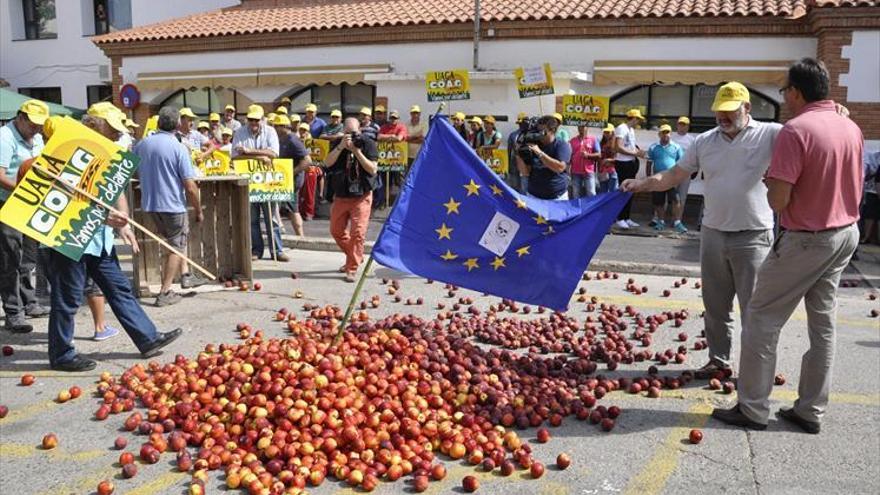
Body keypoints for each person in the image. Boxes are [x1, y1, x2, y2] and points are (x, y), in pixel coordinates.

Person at [712, 59, 863, 433]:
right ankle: (811, 410)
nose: (784, 98)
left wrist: (768, 178)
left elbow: (778, 201)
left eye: (784, 91)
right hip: (845, 233)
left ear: (795, 92)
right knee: (823, 325)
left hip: (806, 239)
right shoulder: (850, 126)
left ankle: (752, 408)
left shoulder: (797, 130)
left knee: (761, 317)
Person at [621, 82, 782, 379]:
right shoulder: (704, 141)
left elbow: (810, 137)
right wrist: (642, 184)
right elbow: (674, 175)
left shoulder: (772, 134)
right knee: (716, 306)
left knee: (754, 310)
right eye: (719, 111)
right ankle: (718, 360)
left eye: (729, 111)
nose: (722, 116)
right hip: (713, 232)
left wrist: (834, 114)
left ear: (747, 108)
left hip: (754, 234)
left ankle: (755, 371)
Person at [46, 103, 183, 371]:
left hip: (98, 239)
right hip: (70, 237)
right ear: (94, 125)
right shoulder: (67, 149)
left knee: (119, 288)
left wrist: (123, 221)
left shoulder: (105, 150)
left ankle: (147, 337)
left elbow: (114, 187)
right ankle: (61, 354)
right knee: (68, 296)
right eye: (112, 131)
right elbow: (59, 197)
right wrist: (105, 218)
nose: (115, 137)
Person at [134, 106, 206, 307]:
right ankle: (165, 291)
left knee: (174, 241)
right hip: (172, 204)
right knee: (176, 245)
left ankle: (185, 275)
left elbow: (133, 171)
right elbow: (190, 186)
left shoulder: (142, 144)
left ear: (157, 124)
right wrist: (198, 210)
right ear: (177, 125)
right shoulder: (178, 147)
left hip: (150, 204)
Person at [0, 100, 51, 333]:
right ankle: (13, 312)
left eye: (40, 125)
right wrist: (22, 191)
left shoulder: (38, 138)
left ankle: (29, 302)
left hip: (31, 202)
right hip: (8, 202)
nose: (36, 129)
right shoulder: (5, 137)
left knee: (28, 256)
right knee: (10, 257)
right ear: (20, 117)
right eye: (32, 124)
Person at [323, 118, 379, 282]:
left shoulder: (367, 143)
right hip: (341, 194)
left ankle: (352, 268)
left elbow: (372, 169)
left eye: (353, 133)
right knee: (336, 231)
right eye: (347, 133)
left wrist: (356, 151)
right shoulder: (338, 143)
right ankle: (354, 256)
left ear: (360, 130)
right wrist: (341, 146)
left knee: (357, 233)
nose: (351, 137)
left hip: (361, 195)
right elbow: (327, 163)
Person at [232, 104, 289, 262]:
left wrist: (249, 152)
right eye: (251, 119)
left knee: (272, 218)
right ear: (247, 119)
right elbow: (235, 157)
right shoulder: (239, 132)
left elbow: (274, 154)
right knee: (253, 219)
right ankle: (256, 250)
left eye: (256, 120)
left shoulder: (270, 131)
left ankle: (277, 250)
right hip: (248, 181)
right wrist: (259, 157)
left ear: (262, 120)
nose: (253, 123)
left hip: (267, 182)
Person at [515, 115, 572, 200]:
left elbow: (560, 167)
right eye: (538, 131)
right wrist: (518, 152)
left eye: (543, 132)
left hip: (556, 197)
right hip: (534, 196)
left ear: (552, 131)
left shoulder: (561, 145)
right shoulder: (534, 144)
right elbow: (525, 172)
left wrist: (539, 153)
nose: (539, 134)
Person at [274, 114, 312, 237]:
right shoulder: (282, 139)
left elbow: (307, 160)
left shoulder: (292, 140)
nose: (274, 128)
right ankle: (282, 229)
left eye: (276, 126)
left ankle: (300, 237)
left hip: (292, 180)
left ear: (284, 126)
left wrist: (291, 173)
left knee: (292, 209)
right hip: (284, 179)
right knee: (280, 205)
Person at [645, 124, 685, 231]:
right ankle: (660, 221)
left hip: (672, 178)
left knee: (676, 200)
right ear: (659, 134)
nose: (665, 135)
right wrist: (649, 178)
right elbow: (649, 163)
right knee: (659, 202)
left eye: (667, 132)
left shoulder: (676, 147)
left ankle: (677, 222)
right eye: (663, 132)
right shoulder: (653, 147)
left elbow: (680, 163)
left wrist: (678, 178)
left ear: (671, 134)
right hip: (658, 178)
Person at [614, 109, 647, 229]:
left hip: (631, 163)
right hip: (623, 163)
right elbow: (618, 147)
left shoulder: (631, 130)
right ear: (633, 118)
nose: (639, 122)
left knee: (630, 190)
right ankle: (620, 218)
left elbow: (631, 147)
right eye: (638, 119)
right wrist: (635, 154)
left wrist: (640, 152)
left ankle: (627, 217)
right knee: (624, 190)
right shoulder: (621, 128)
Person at [671, 116, 696, 229]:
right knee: (669, 196)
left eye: (684, 124)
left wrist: (696, 169)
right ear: (677, 125)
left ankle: (677, 221)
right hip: (671, 171)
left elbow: (696, 156)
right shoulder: (671, 137)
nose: (682, 126)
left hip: (686, 172)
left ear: (688, 126)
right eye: (680, 124)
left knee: (682, 197)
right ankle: (659, 219)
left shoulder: (692, 140)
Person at [569, 124, 601, 198]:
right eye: (580, 126)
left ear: (587, 128)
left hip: (589, 171)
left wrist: (588, 155)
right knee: (576, 194)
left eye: (583, 126)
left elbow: (599, 155)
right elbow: (569, 156)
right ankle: (576, 209)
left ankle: (591, 209)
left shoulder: (593, 140)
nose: (582, 128)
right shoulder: (572, 141)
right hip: (575, 171)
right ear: (578, 128)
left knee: (591, 193)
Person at [860, 149, 879, 244]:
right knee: (869, 215)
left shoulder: (868, 155)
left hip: (866, 190)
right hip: (871, 191)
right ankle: (866, 237)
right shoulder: (873, 155)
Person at [507, 113, 529, 192]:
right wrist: (508, 165)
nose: (521, 125)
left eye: (522, 123)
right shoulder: (513, 135)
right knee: (514, 187)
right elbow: (509, 151)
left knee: (524, 188)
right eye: (519, 123)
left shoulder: (531, 134)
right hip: (514, 164)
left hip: (526, 165)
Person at [597, 124, 618, 193]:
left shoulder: (616, 143)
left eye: (608, 132)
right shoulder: (601, 143)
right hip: (602, 171)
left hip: (612, 171)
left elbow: (619, 159)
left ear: (612, 132)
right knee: (603, 193)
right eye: (605, 132)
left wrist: (609, 160)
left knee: (612, 193)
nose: (606, 134)